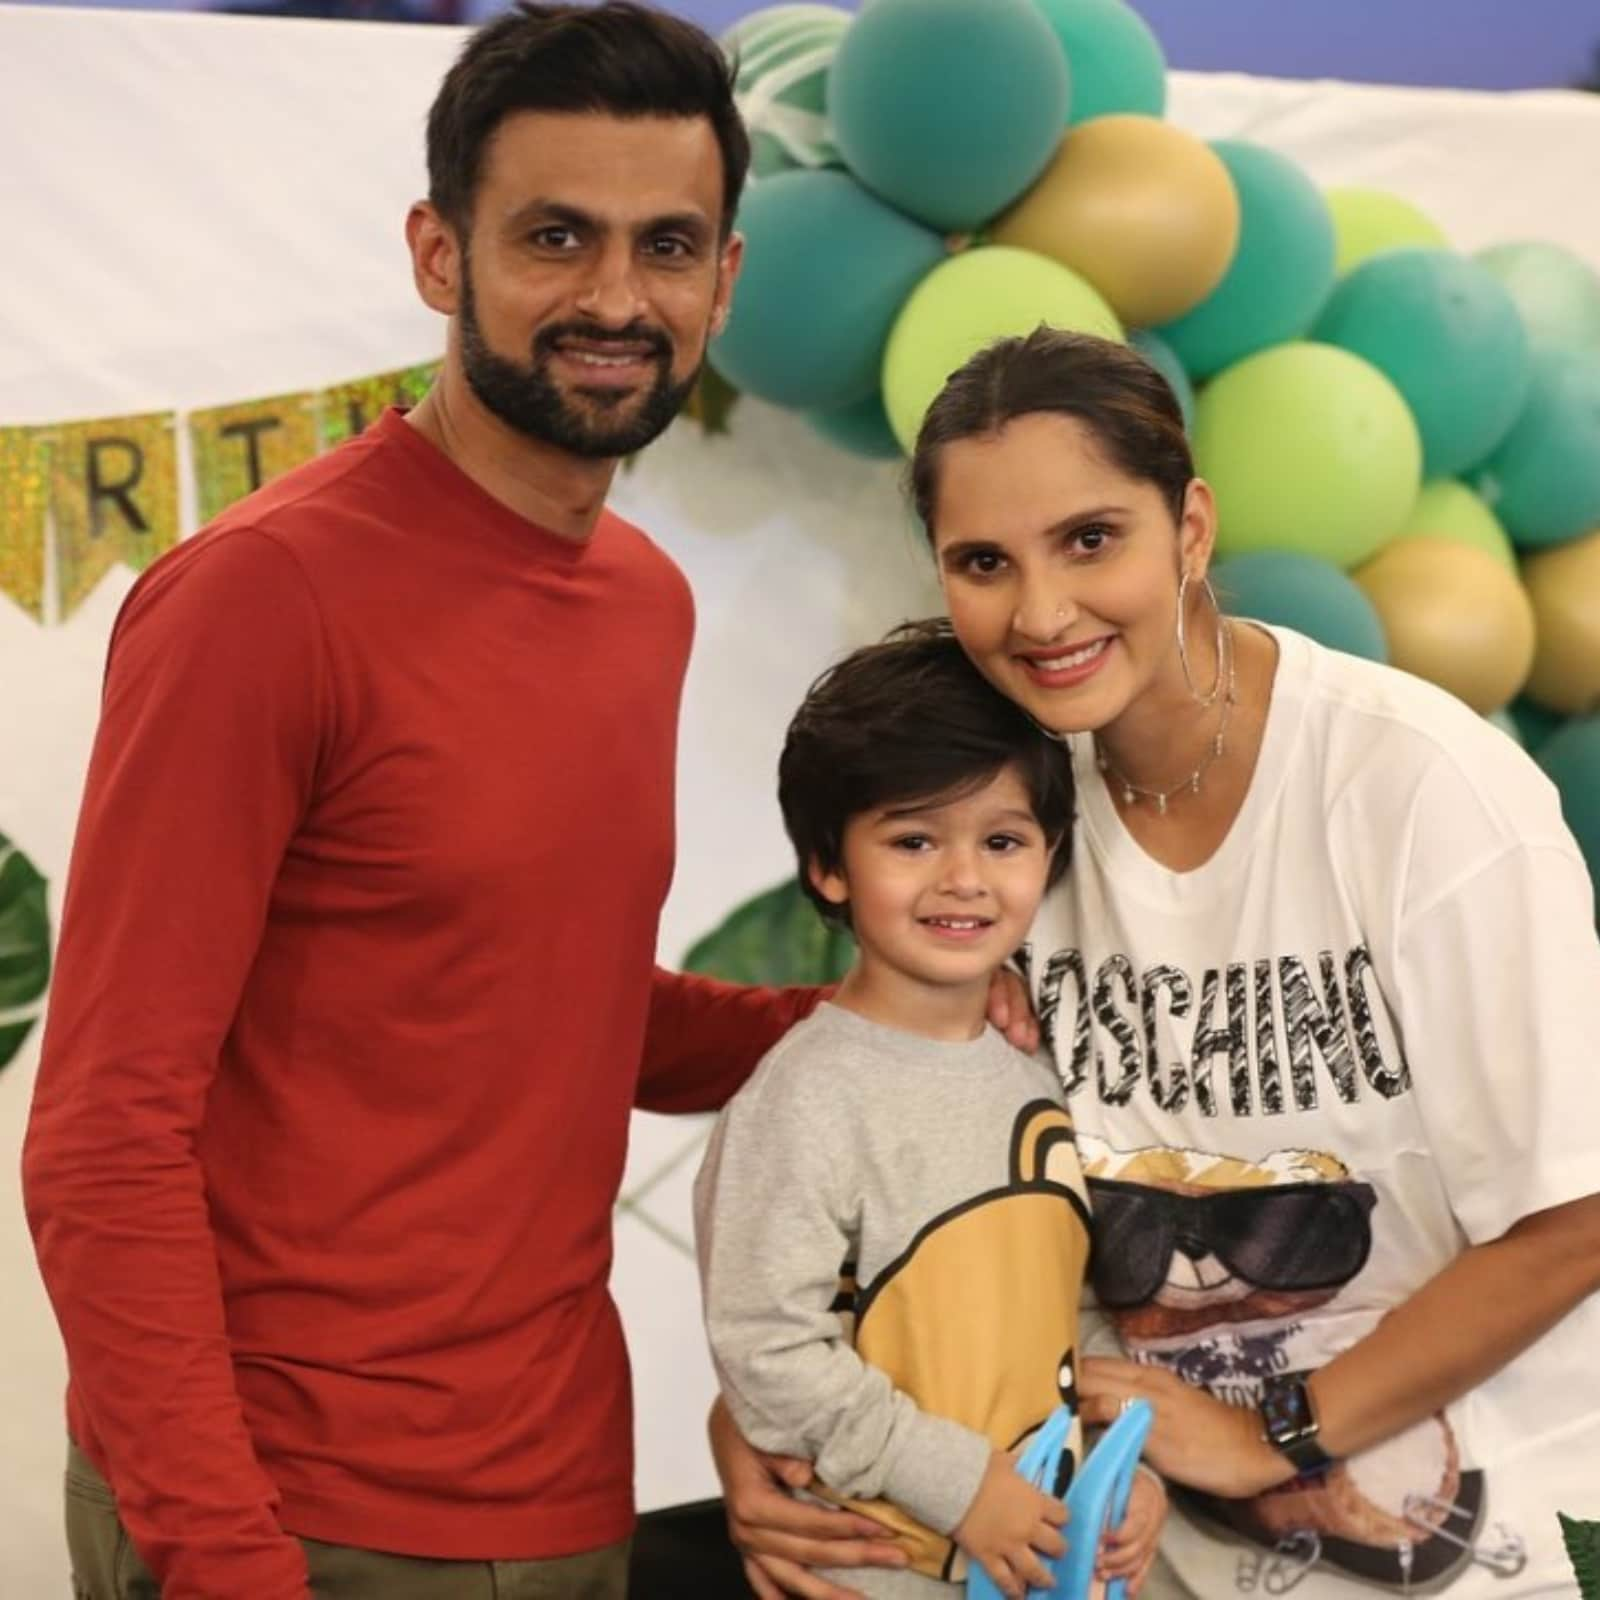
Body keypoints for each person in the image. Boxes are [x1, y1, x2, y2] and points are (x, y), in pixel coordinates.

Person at [22, 7, 811, 1597]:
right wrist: (219, 1553)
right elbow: (104, 1134)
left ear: (723, 279)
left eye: (667, 245)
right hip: (292, 1518)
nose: (614, 297)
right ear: (438, 255)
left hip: (568, 1487)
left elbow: (532, 996)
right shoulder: (264, 598)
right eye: (553, 237)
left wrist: (863, 1030)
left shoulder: (642, 599)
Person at [711, 327, 1600, 1600]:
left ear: (1189, 527)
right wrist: (760, 1421)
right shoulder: (1003, 838)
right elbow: (889, 1173)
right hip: (1142, 1562)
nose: (1041, 611)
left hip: (1488, 1550)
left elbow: (1573, 1214)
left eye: (1090, 538)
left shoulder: (1420, 787)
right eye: (982, 562)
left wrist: (1274, 1429)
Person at [694, 623, 1166, 1600]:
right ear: (829, 867)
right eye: (913, 839)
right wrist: (961, 1487)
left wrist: (1127, 1465)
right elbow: (770, 1349)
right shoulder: (802, 1101)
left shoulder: (1040, 1075)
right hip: (875, 1576)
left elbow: (1076, 1305)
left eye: (1001, 840)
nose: (962, 877)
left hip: (1043, 1569)